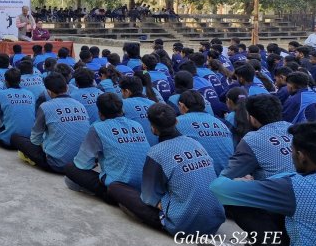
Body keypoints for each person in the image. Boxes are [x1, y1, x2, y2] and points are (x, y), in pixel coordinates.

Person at [206, 122, 316, 246]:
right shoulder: (293, 185)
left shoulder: (294, 188)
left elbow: (218, 189)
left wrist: (247, 185)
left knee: (240, 205)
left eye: (292, 152)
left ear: (301, 156)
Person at [108, 103, 225, 236]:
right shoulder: (195, 143)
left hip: (182, 225)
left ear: (153, 129)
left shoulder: (156, 153)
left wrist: (166, 205)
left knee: (116, 188)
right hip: (213, 223)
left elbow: (148, 197)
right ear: (176, 121)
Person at [64, 92, 150, 203]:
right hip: (143, 188)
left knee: (70, 168)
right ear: (121, 109)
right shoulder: (136, 125)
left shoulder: (97, 127)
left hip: (116, 189)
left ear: (100, 113)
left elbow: (83, 164)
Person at [10, 74, 90, 174]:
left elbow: (35, 140)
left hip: (56, 165)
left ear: (48, 92)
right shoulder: (80, 105)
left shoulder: (45, 107)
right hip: (80, 164)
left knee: (16, 138)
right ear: (67, 87)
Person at [220, 94, 296, 180]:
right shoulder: (293, 127)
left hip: (279, 190)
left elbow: (228, 175)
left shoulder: (252, 139)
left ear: (253, 119)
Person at [175, 90, 233, 175]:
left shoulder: (177, 122)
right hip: (230, 175)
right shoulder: (220, 122)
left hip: (207, 177)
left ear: (181, 105)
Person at [0, 68, 35, 147]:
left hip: (9, 141)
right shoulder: (30, 94)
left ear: (5, 81)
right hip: (29, 139)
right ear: (20, 81)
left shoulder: (0, 94)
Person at [119, 75, 159, 146]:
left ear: (127, 91)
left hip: (137, 146)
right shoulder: (154, 104)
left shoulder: (122, 104)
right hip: (158, 145)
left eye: (122, 91)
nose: (121, 94)